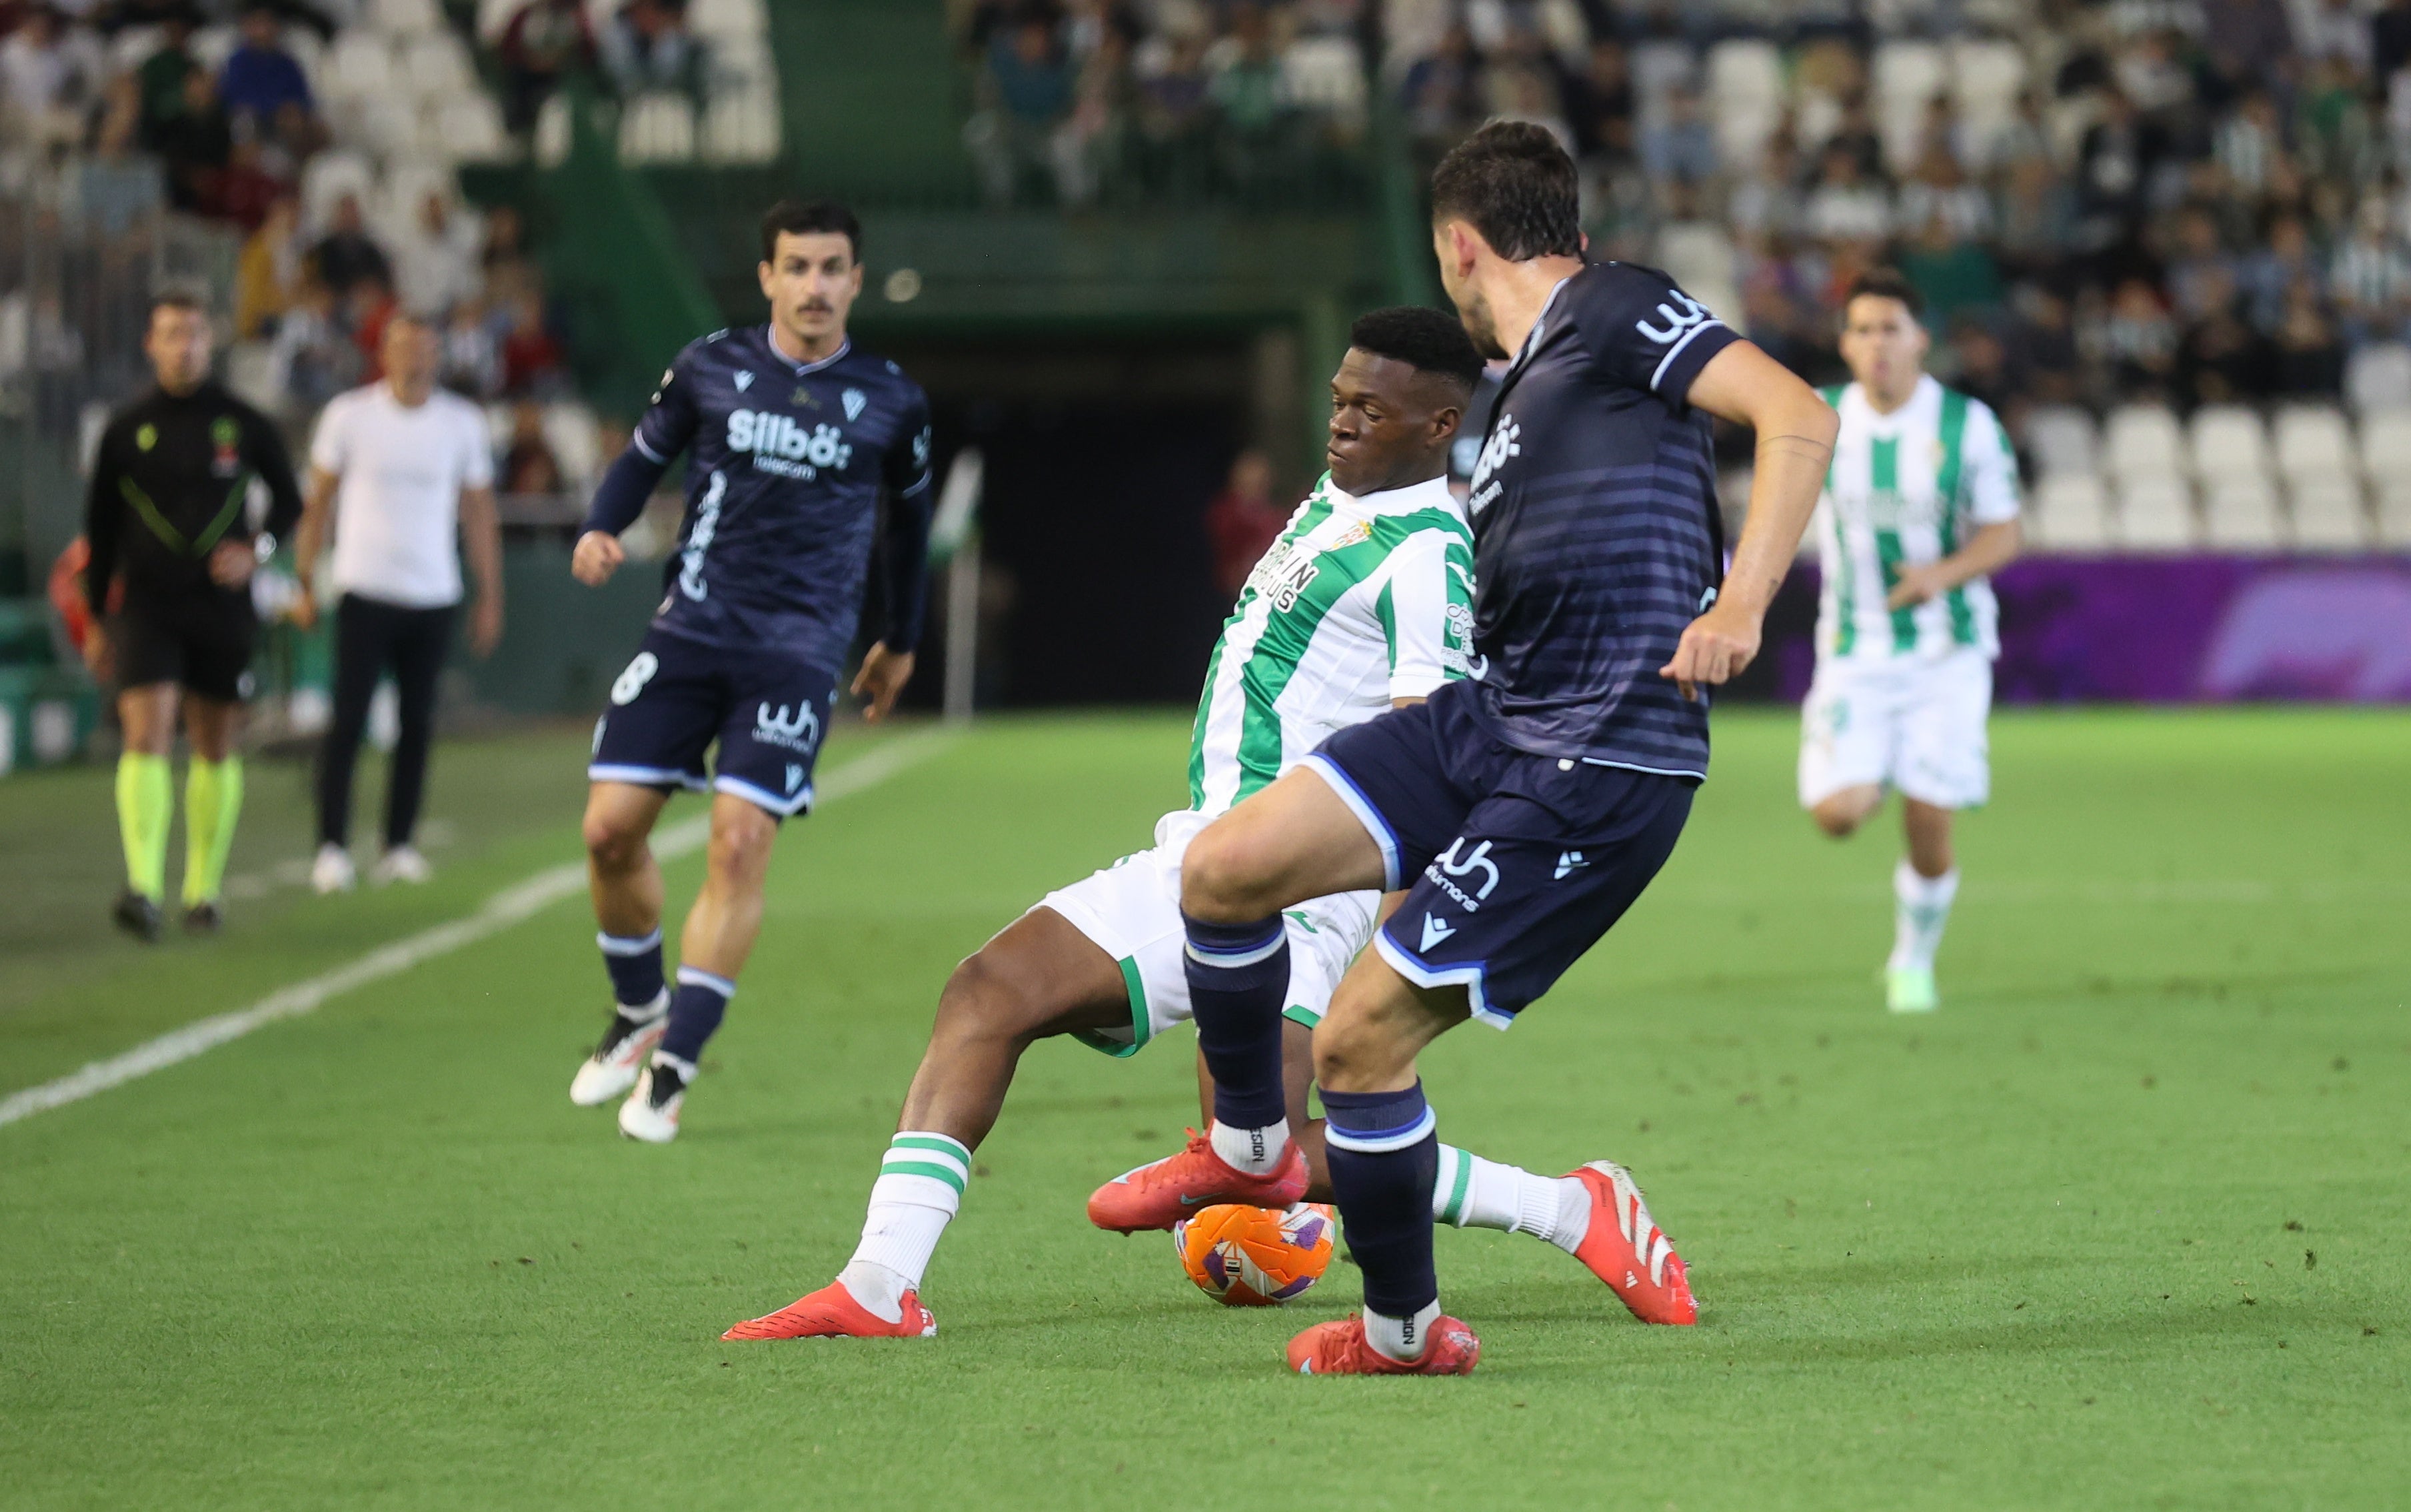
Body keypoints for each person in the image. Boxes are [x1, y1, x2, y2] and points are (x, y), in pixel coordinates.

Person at [720, 309, 1674, 1342]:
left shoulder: (1431, 558)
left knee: (1279, 1149)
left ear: (1442, 422)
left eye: (1373, 409)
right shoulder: (1338, 498)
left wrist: (1388, 945)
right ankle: (877, 1283)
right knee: (1009, 1005)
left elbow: (1431, 761)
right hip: (1202, 856)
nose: (1344, 423)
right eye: (1340, 399)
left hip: (1295, 888)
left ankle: (1572, 1209)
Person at [1096, 123, 1836, 1375]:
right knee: (1220, 870)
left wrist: (1742, 602)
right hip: (1494, 720)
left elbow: (1795, 412)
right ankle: (1247, 1144)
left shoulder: (1609, 312)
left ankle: (1402, 1331)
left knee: (1358, 1043)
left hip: (1603, 755)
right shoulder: (1521, 394)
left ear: (1458, 246)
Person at [564, 199, 933, 1142]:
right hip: (689, 631)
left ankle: (678, 1061)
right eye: (797, 266)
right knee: (609, 830)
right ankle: (640, 1003)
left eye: (833, 267)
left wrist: (899, 640)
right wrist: (604, 525)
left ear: (855, 280)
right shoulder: (709, 368)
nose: (815, 285)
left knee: (737, 845)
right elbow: (642, 457)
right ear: (766, 276)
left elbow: (910, 531)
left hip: (797, 651)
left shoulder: (891, 399)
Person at [1802, 272, 2021, 1012]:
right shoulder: (1818, 417)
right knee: (1835, 815)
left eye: (1890, 328)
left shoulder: (1966, 423)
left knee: (1928, 815)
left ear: (1919, 338)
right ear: (1844, 343)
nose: (1876, 344)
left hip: (1943, 650)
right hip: (1853, 650)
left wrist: (1941, 575)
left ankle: (1911, 962)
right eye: (1862, 330)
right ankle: (1890, 760)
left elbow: (2003, 531)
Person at [80, 293, 305, 940]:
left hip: (221, 607)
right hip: (148, 606)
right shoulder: (124, 431)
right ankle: (143, 886)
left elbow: (290, 503)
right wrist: (98, 617)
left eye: (196, 334)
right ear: (151, 345)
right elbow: (98, 530)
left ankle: (202, 890)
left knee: (214, 741)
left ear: (212, 344)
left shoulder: (243, 423)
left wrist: (256, 552)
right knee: (144, 733)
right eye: (172, 334)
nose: (185, 346)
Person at [292, 314, 505, 892]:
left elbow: (479, 513)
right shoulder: (349, 416)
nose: (414, 357)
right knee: (349, 721)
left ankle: (399, 844)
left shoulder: (461, 423)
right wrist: (304, 578)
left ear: (437, 356)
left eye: (424, 348)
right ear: (383, 352)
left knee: (417, 723)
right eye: (403, 346)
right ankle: (332, 847)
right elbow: (318, 503)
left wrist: (491, 594)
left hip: (433, 592)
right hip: (364, 588)